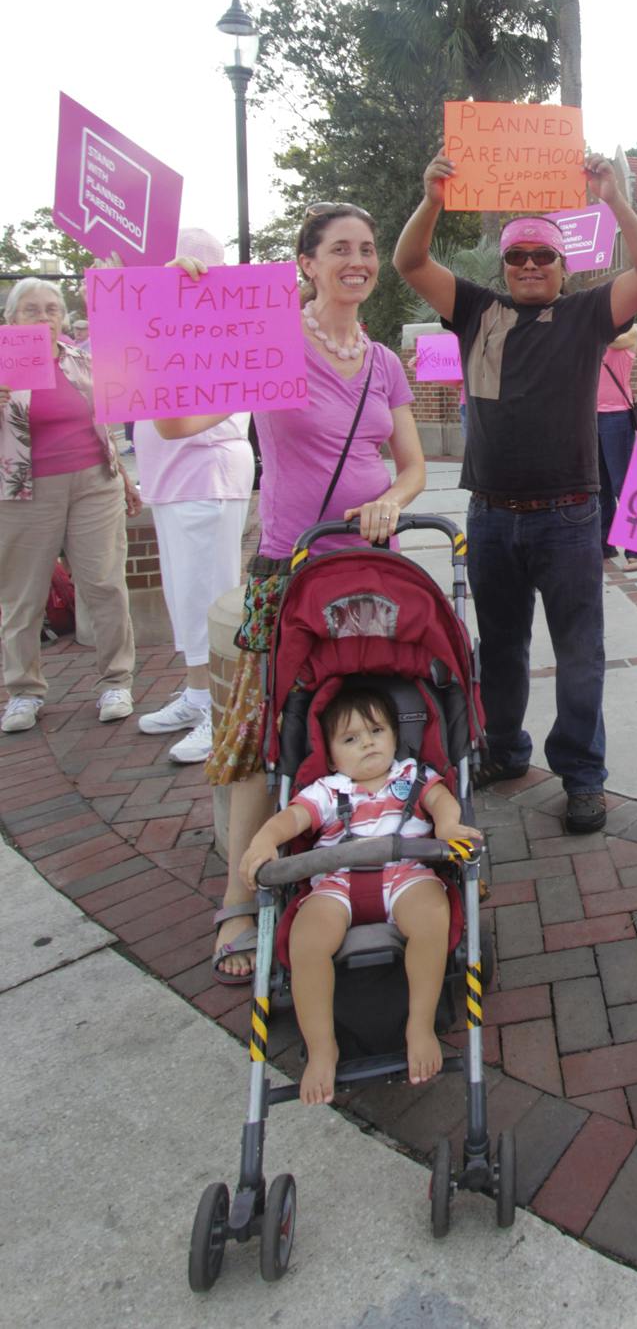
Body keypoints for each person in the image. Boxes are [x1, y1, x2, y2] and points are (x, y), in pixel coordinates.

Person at [155, 202, 426, 982]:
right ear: (305, 262)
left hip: (374, 568)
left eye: (368, 248)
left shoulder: (383, 363)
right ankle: (239, 899)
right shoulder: (268, 339)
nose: (359, 260)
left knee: (377, 718)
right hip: (291, 567)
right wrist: (181, 307)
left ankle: (376, 861)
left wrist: (394, 501)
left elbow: (408, 464)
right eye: (340, 248)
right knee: (262, 733)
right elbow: (177, 424)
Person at [394, 152, 637, 834]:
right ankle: (506, 749)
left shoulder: (585, 316)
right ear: (505, 266)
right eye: (517, 256)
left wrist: (615, 200)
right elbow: (408, 263)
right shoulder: (477, 313)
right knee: (502, 648)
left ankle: (582, 775)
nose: (529, 265)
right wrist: (431, 199)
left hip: (570, 519)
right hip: (491, 516)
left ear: (562, 264)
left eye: (543, 254)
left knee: (580, 652)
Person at [240, 683, 480, 1100]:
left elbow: (442, 800)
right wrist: (263, 840)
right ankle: (322, 1048)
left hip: (405, 872)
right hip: (336, 881)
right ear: (331, 755)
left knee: (431, 916)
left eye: (377, 732)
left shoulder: (412, 775)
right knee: (307, 939)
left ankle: (419, 1026)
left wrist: (445, 826)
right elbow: (290, 820)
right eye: (351, 739)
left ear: (395, 737)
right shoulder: (328, 791)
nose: (367, 743)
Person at [128, 231, 254, 764]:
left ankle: (220, 708)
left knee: (210, 596)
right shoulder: (167, 326)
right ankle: (199, 693)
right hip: (173, 481)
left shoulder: (222, 326)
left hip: (206, 476)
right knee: (186, 595)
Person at [0, 278, 139, 733]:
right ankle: (23, 690)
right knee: (23, 595)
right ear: (12, 318)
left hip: (93, 484)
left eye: (52, 310)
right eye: (32, 310)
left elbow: (105, 425)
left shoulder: (83, 361)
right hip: (24, 491)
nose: (43, 318)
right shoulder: (2, 366)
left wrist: (123, 477)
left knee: (104, 584)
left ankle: (116, 680)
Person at [598, 324, 637, 572]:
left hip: (616, 417)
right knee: (599, 486)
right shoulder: (592, 329)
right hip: (588, 416)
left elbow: (615, 341)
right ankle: (604, 543)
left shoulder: (631, 331)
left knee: (624, 485)